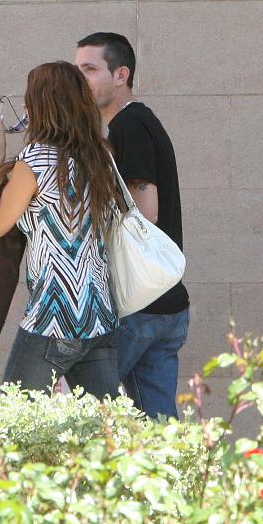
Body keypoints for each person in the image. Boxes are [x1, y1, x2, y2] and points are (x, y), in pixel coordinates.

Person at [0, 61, 126, 399]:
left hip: (52, 317)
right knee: (111, 435)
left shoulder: (35, 160)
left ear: (40, 107)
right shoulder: (100, 156)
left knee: (12, 424)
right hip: (99, 316)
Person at [75, 33, 190, 419]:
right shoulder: (134, 124)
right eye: (77, 70)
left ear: (121, 74)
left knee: (77, 412)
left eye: (90, 69)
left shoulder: (130, 125)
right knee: (160, 427)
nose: (81, 80)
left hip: (136, 305)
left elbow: (145, 211)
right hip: (165, 304)